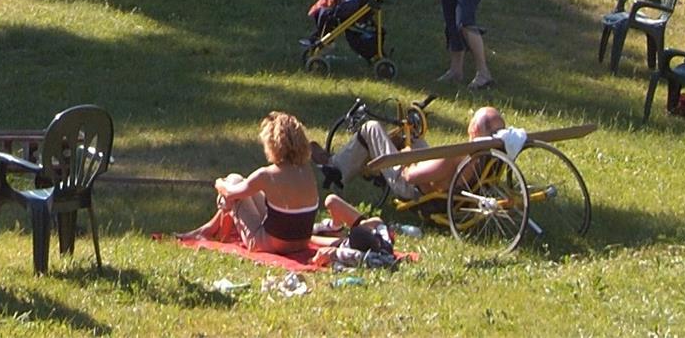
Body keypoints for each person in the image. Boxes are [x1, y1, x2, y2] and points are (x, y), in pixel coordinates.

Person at [182, 111, 357, 253]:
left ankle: (212, 234)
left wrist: (219, 182)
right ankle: (208, 230)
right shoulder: (306, 170)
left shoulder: (267, 175)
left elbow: (229, 194)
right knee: (239, 185)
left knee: (233, 182)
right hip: (301, 242)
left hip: (271, 244)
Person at [329, 106, 507, 200]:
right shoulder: (489, 153)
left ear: (473, 128)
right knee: (412, 137)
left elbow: (410, 176)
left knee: (371, 128)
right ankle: (346, 161)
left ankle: (335, 170)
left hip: (412, 188)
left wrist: (407, 155)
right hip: (447, 181)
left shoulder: (456, 154)